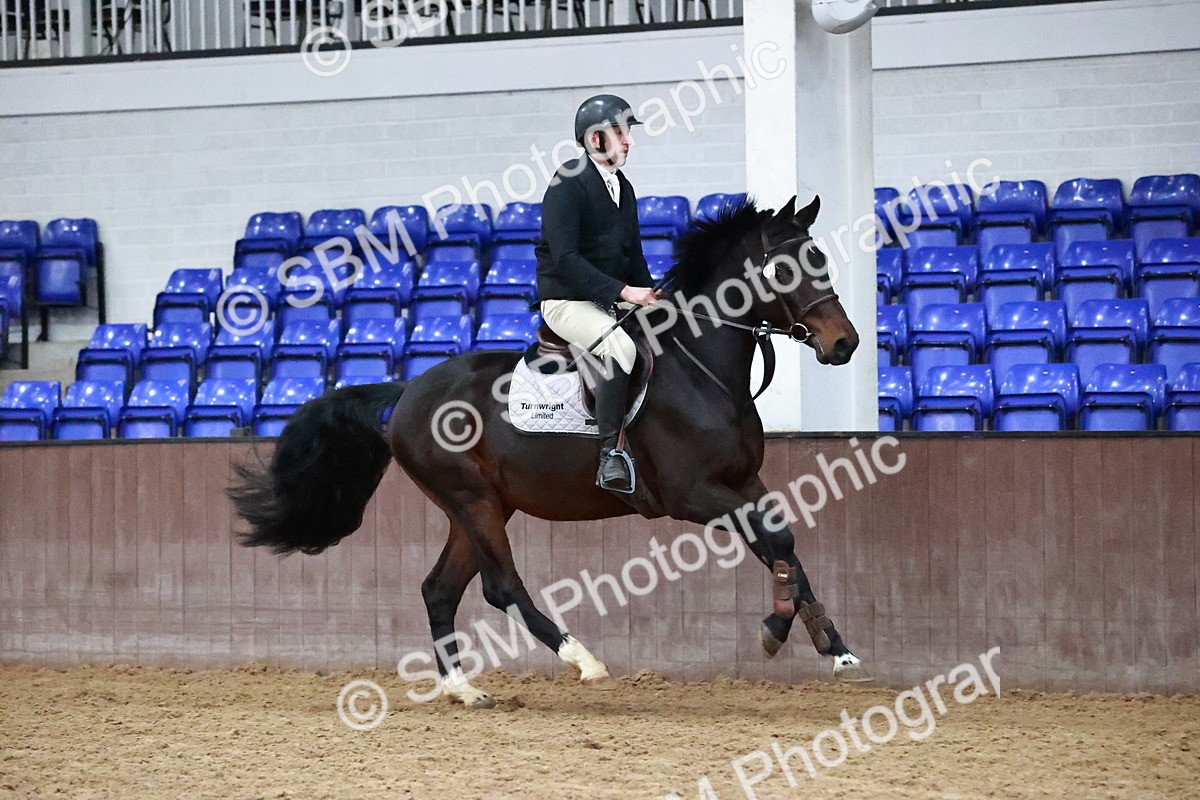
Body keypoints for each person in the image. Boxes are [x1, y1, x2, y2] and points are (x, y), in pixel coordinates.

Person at [535, 94, 659, 494]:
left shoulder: (624, 187)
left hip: (609, 299)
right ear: (595, 139)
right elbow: (566, 257)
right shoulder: (567, 183)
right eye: (621, 132)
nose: (629, 142)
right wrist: (624, 291)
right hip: (567, 301)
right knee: (620, 349)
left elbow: (634, 255)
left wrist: (655, 296)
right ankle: (612, 455)